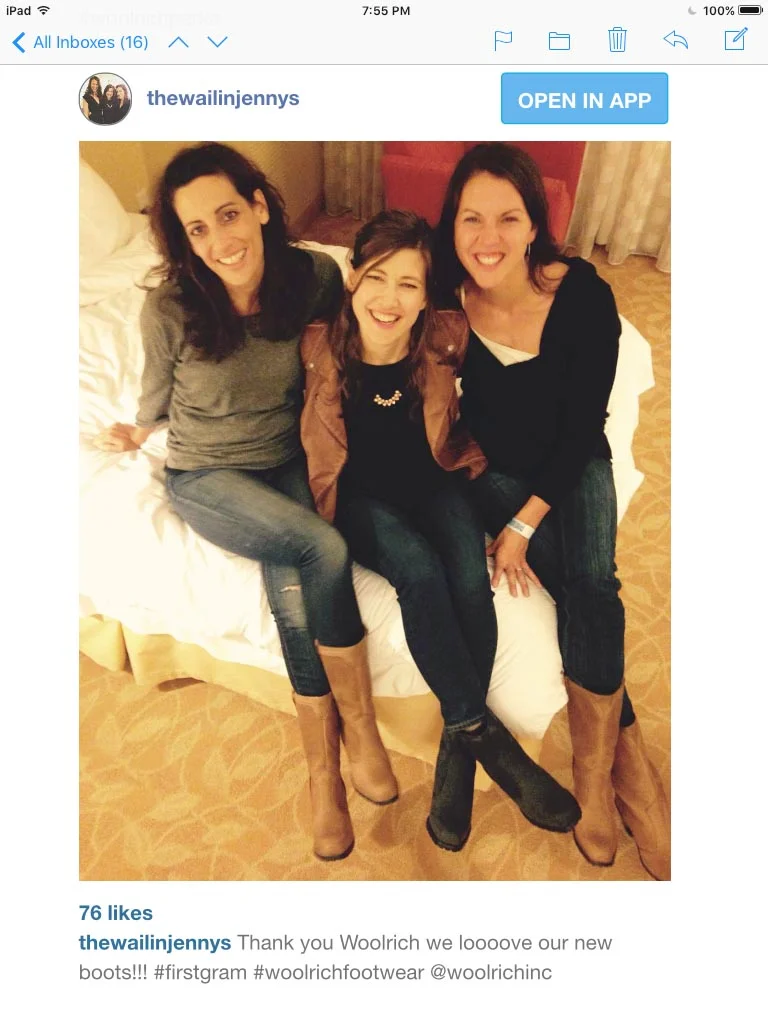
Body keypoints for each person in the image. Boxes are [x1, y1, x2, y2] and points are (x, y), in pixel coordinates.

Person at [93, 142, 397, 863]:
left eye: (228, 215)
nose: (220, 241)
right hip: (207, 474)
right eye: (197, 229)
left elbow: (353, 331)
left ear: (259, 207)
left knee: (292, 590)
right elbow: (155, 392)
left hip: (285, 455)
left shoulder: (312, 276)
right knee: (321, 546)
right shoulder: (171, 306)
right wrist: (136, 430)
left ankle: (326, 769)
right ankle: (357, 734)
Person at [300, 209, 581, 852]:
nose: (390, 298)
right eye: (377, 277)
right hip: (360, 500)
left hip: (436, 477)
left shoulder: (446, 336)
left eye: (409, 283)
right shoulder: (315, 346)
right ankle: (490, 743)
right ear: (352, 278)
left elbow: (518, 373)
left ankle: (457, 753)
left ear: (428, 295)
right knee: (419, 573)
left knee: (466, 576)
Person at [434, 142, 671, 879]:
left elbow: (579, 431)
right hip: (494, 470)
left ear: (535, 224)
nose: (488, 238)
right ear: (452, 227)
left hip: (570, 464)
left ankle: (597, 783)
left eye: (509, 217)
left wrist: (526, 524)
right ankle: (625, 760)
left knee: (591, 581)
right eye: (471, 218)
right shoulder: (448, 300)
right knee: (577, 590)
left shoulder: (581, 293)